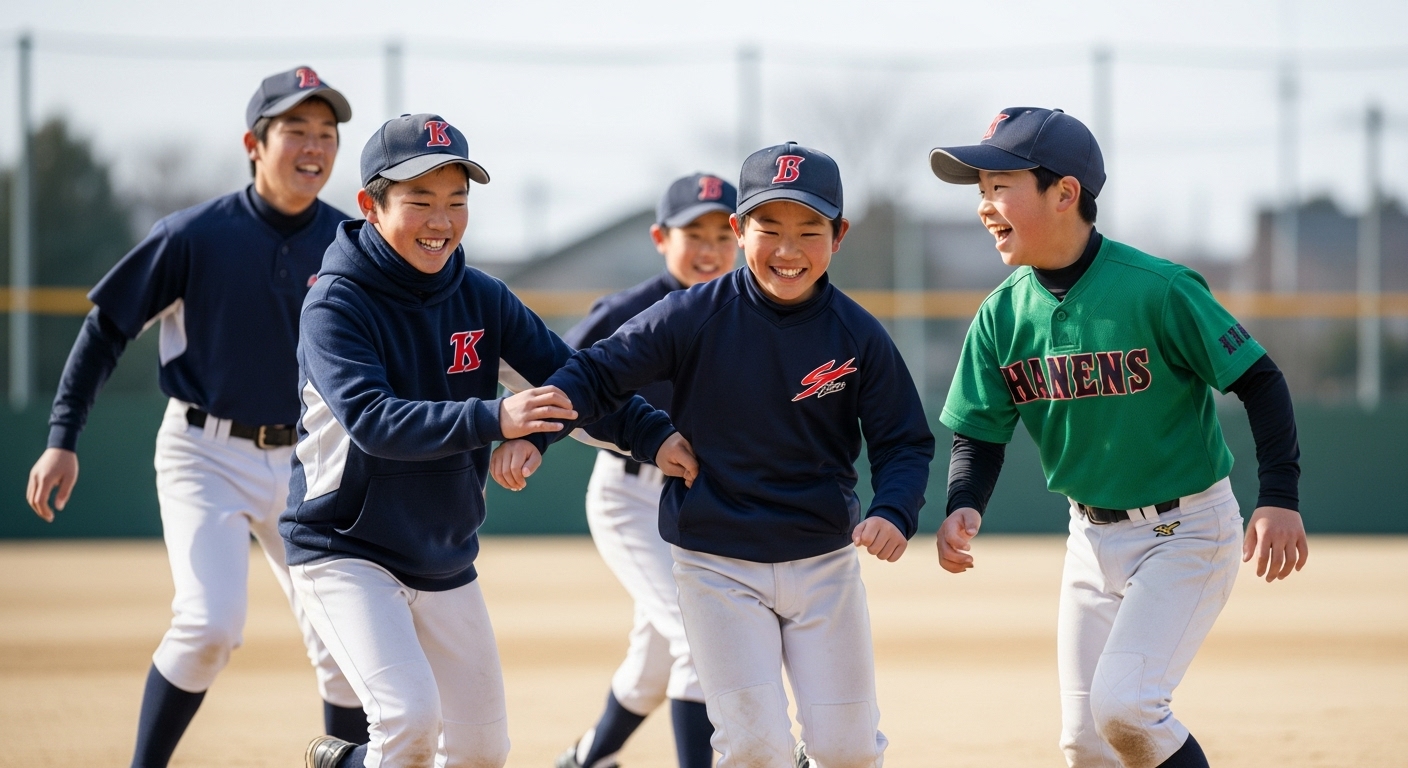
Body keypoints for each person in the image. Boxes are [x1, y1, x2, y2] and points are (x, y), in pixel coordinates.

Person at [492, 142, 935, 768]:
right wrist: (536, 434)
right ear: (740, 230)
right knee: (753, 748)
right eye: (768, 229)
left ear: (838, 235)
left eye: (810, 230)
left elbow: (904, 439)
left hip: (822, 562)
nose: (788, 249)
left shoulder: (857, 333)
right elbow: (594, 373)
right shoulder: (691, 314)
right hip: (716, 562)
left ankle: (593, 754)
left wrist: (893, 508)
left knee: (848, 751)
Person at [288, 113, 691, 768]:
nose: (441, 219)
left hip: (443, 553)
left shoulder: (481, 297)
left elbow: (575, 381)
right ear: (369, 204)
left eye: (456, 200)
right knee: (409, 721)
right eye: (420, 200)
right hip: (344, 548)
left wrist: (656, 437)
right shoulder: (336, 303)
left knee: (479, 753)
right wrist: (496, 420)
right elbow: (374, 420)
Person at [928, 107, 1308, 768]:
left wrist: (1279, 495)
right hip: (1089, 540)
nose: (986, 206)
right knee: (1086, 743)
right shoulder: (1002, 314)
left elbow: (1261, 380)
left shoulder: (1157, 290)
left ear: (1065, 192)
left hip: (1184, 531)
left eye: (1001, 186)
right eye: (981, 190)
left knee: (1127, 709)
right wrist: (966, 499)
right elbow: (980, 434)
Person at [24, 66, 367, 767]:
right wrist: (63, 437)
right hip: (205, 452)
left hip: (309, 461)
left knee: (347, 645)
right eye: (295, 130)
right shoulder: (193, 235)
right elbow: (106, 329)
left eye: (326, 133)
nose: (314, 145)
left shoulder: (350, 243)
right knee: (210, 625)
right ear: (254, 142)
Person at [554, 173, 739, 768]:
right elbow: (557, 381)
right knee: (698, 641)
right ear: (661, 237)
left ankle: (586, 760)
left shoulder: (748, 307)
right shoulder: (629, 311)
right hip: (632, 498)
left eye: (721, 233)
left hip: (704, 500)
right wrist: (531, 440)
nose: (709, 249)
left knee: (653, 664)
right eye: (694, 233)